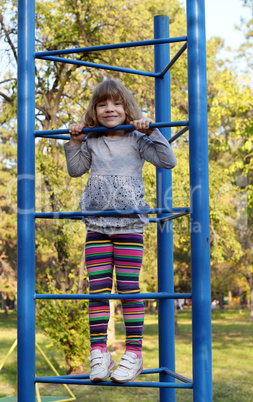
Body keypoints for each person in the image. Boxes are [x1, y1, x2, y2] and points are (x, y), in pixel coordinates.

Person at [64, 79, 177, 383]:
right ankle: (99, 351)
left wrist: (151, 130)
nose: (109, 109)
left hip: (129, 225)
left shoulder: (136, 138)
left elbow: (168, 161)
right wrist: (75, 141)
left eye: (116, 103)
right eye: (102, 104)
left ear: (127, 109)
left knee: (128, 287)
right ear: (95, 109)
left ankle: (134, 352)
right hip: (97, 225)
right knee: (98, 288)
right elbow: (75, 170)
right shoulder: (93, 140)